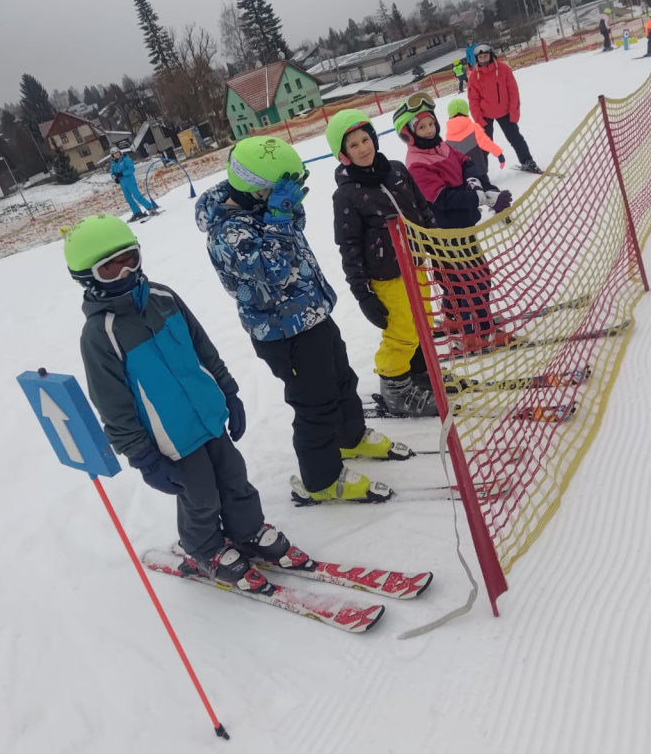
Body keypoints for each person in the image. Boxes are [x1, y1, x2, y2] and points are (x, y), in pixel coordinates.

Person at [65, 213, 307, 591]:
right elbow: (112, 405)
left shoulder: (163, 297)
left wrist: (228, 391)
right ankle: (203, 548)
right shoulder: (100, 334)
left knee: (234, 477)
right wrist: (142, 456)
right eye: (110, 268)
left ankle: (247, 531)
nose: (126, 272)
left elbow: (202, 346)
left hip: (208, 416)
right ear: (88, 278)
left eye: (130, 258)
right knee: (200, 496)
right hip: (171, 438)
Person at [196, 137, 412, 506]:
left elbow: (295, 228)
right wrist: (279, 219)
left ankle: (350, 437)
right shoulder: (226, 232)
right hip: (284, 333)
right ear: (255, 187)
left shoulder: (260, 206)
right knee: (315, 404)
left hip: (312, 314)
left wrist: (286, 210)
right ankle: (321, 479)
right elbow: (273, 271)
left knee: (342, 380)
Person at [326, 109, 438, 417]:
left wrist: (437, 245)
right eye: (354, 145)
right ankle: (394, 387)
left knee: (424, 320)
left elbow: (421, 209)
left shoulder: (397, 171)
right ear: (343, 154)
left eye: (366, 140)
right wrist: (362, 294)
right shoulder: (346, 195)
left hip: (417, 262)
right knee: (402, 330)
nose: (363, 148)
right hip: (387, 275)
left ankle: (418, 372)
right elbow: (348, 246)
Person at [393, 93, 513, 353]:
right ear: (409, 134)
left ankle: (454, 319)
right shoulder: (417, 164)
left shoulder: (441, 147)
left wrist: (474, 181)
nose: (429, 130)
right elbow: (443, 198)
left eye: (431, 124)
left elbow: (466, 161)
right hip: (446, 233)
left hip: (462, 227)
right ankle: (477, 332)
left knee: (463, 278)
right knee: (474, 281)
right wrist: (480, 197)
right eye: (421, 127)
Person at [467, 44, 542, 174]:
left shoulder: (503, 69)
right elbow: (473, 100)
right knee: (484, 144)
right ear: (477, 59)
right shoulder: (474, 77)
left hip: (505, 111)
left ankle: (527, 161)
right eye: (480, 57)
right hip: (485, 114)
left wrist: (514, 112)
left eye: (486, 56)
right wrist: (479, 121)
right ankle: (482, 174)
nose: (483, 59)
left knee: (515, 138)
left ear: (491, 55)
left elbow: (513, 91)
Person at [445, 97, 505, 187]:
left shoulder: (449, 135)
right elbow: (486, 142)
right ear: (466, 112)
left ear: (450, 115)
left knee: (473, 192)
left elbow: (450, 156)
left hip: (465, 175)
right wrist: (499, 154)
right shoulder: (474, 127)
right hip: (480, 170)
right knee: (488, 189)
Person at [110, 148, 157, 222]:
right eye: (115, 153)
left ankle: (150, 208)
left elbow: (131, 169)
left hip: (130, 181)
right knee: (128, 199)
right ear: (113, 155)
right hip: (123, 183)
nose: (117, 154)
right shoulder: (113, 163)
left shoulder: (125, 160)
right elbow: (112, 173)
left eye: (118, 152)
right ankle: (137, 212)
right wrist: (115, 178)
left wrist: (122, 173)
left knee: (137, 196)